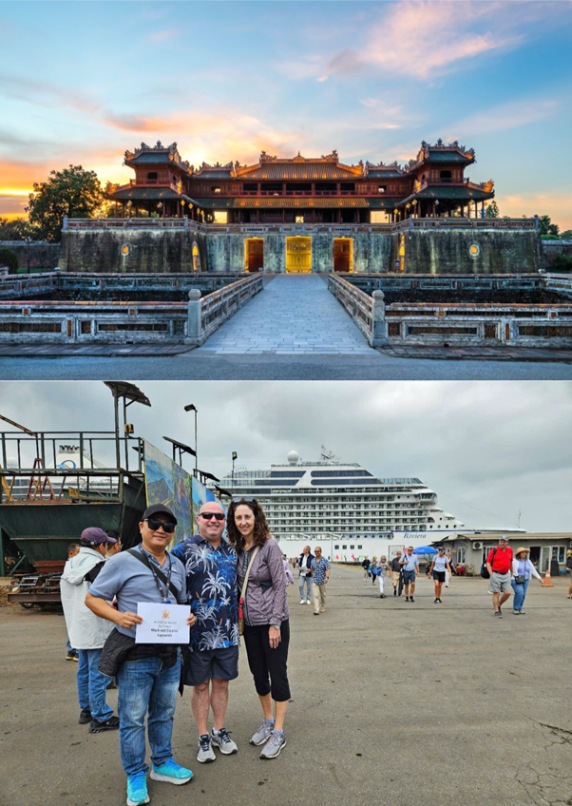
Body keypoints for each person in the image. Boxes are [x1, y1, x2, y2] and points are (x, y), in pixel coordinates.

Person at [85, 504, 196, 806]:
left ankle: (162, 762)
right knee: (133, 718)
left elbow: (181, 603)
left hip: (169, 653)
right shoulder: (121, 561)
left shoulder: (178, 565)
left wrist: (188, 619)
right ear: (142, 527)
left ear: (173, 533)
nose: (162, 529)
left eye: (168, 525)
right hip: (135, 654)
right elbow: (93, 598)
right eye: (155, 523)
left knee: (164, 712)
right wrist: (117, 617)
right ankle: (135, 773)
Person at [171, 500, 239, 764]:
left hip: (228, 632)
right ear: (198, 519)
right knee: (200, 686)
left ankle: (218, 730)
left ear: (224, 521)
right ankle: (202, 735)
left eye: (219, 516)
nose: (214, 520)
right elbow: (160, 577)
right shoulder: (182, 550)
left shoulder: (233, 552)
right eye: (208, 515)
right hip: (195, 634)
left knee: (222, 683)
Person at [226, 497, 290, 760]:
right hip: (250, 624)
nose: (243, 522)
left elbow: (280, 586)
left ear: (256, 519)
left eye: (247, 517)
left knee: (277, 674)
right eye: (238, 518)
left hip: (272, 623)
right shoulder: (238, 549)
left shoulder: (269, 547)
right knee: (258, 675)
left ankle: (278, 731)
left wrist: (275, 624)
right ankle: (266, 720)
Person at [60, 528, 119, 732]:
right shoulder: (98, 565)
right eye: (106, 545)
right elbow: (110, 595)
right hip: (96, 626)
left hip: (78, 626)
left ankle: (86, 709)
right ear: (100, 545)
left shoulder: (71, 564)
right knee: (98, 671)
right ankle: (100, 716)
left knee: (84, 669)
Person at [486, 535, 514, 618]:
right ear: (499, 542)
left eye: (504, 541)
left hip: (506, 574)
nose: (502, 543)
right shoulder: (493, 550)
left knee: (508, 592)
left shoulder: (510, 550)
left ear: (507, 542)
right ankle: (496, 610)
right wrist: (491, 574)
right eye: (501, 541)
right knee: (496, 593)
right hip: (496, 573)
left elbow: (510, 561)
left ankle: (499, 605)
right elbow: (488, 563)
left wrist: (512, 571)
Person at [511, 547, 542, 614]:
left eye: (525, 552)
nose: (524, 554)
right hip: (516, 579)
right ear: (518, 554)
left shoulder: (528, 561)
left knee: (523, 594)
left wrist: (539, 578)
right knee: (520, 592)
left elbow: (533, 570)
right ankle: (516, 608)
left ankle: (520, 607)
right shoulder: (514, 561)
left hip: (526, 579)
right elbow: (514, 571)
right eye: (522, 552)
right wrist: (518, 579)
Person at [65, 542, 81, 661]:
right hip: (76, 599)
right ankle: (76, 651)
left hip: (72, 600)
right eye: (78, 552)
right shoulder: (72, 565)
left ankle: (71, 650)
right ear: (71, 553)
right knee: (77, 625)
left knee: (72, 624)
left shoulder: (70, 565)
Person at [310, 546, 331, 614]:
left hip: (322, 580)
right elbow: (312, 569)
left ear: (320, 552)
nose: (316, 552)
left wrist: (327, 577)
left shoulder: (324, 560)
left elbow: (328, 569)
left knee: (323, 595)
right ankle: (316, 610)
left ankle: (322, 606)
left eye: (317, 551)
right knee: (316, 595)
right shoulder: (313, 560)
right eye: (315, 551)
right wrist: (313, 575)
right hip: (315, 580)